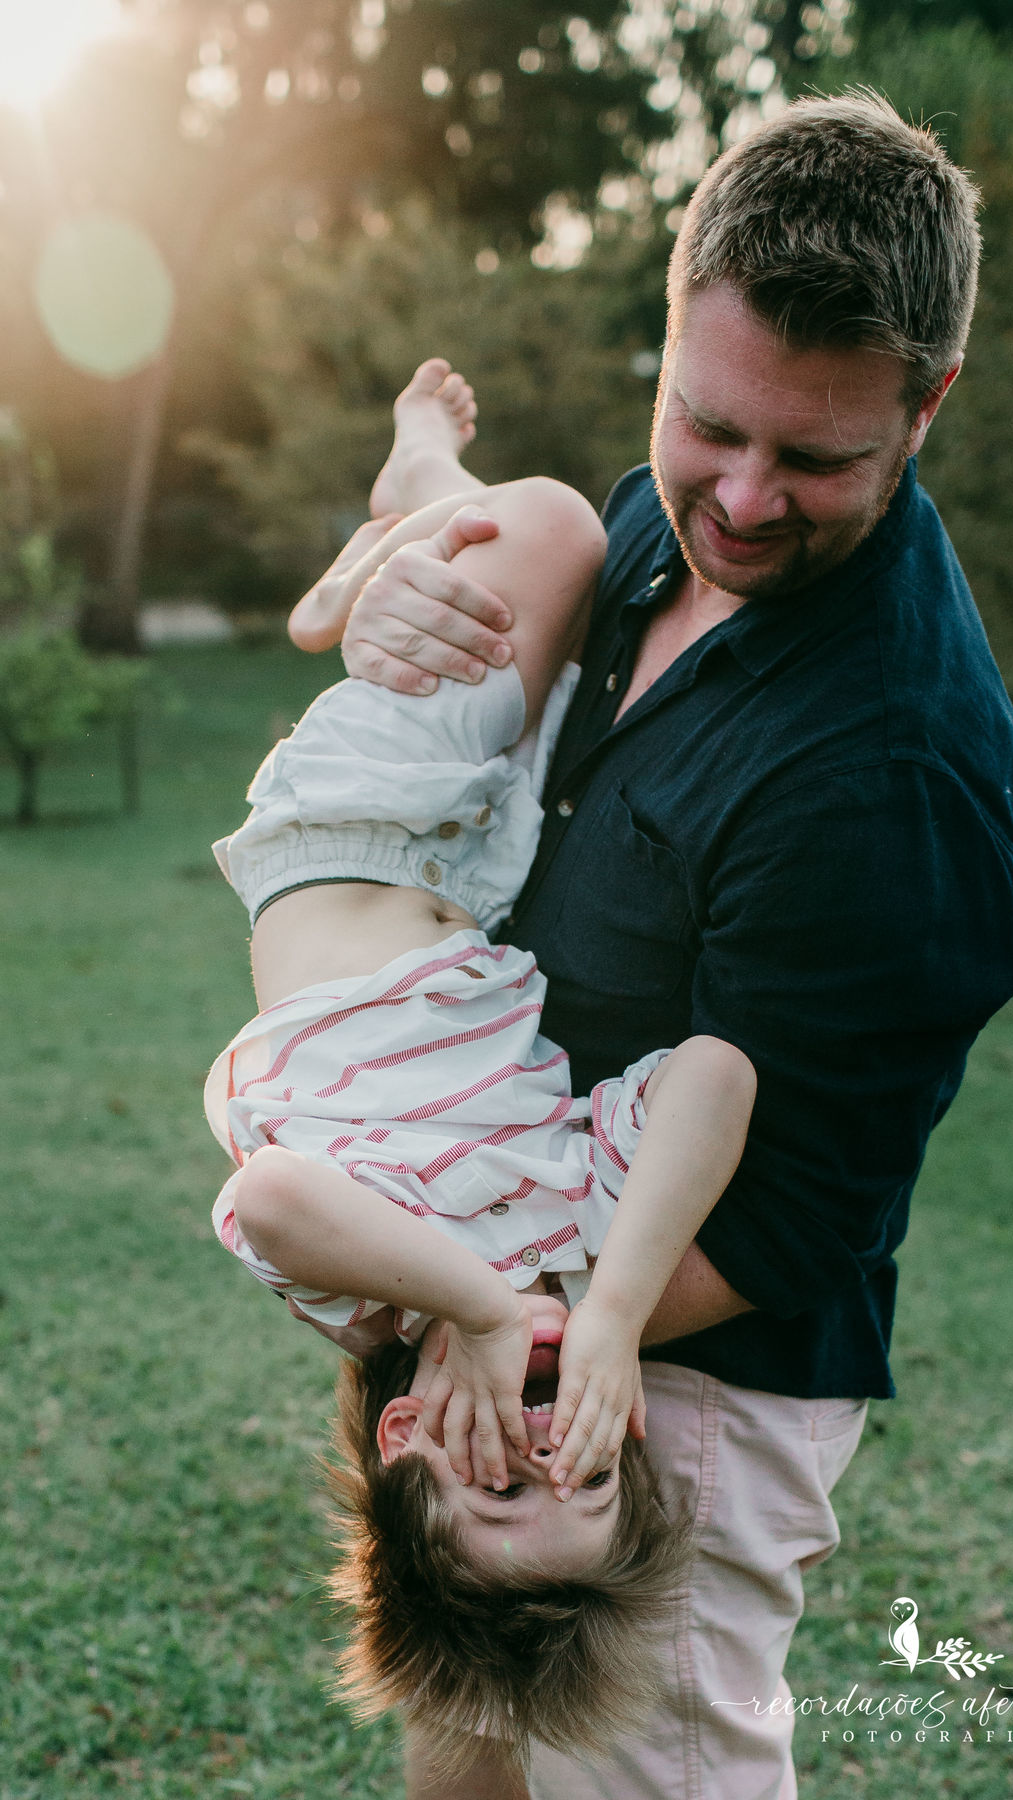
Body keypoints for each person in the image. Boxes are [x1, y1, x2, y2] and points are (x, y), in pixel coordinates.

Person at [294, 93, 1013, 1800]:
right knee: (461, 1747)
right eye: (708, 425)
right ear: (671, 336)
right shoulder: (657, 526)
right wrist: (395, 589)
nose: (743, 497)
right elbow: (467, 688)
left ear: (927, 404)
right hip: (491, 1297)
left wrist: (513, 1325)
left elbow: (788, 1210)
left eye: (816, 459)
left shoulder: (896, 774)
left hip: (664, 1386)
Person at [204, 464, 757, 1774]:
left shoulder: (369, 1297)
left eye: (506, 1485)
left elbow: (270, 1197)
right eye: (593, 1478)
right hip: (492, 880)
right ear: (626, 1428)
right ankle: (413, 506)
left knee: (552, 526)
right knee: (578, 634)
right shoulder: (586, 1238)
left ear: (408, 1441)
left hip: (352, 840)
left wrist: (480, 1308)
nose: (550, 1450)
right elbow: (716, 1075)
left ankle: (374, 542)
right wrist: (610, 1305)